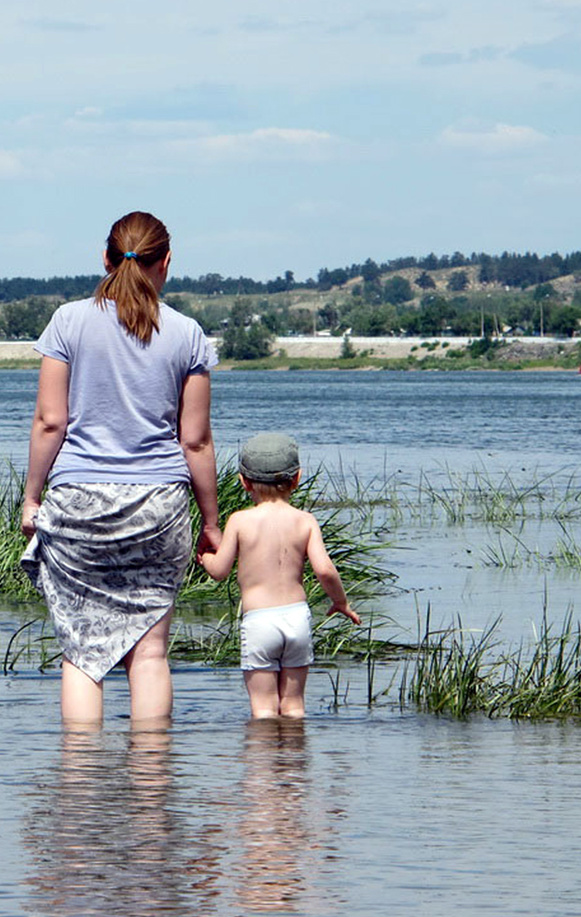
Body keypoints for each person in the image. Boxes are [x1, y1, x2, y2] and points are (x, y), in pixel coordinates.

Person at [20, 210, 221, 726]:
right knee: (150, 655)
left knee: (82, 657)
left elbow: (49, 422)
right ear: (167, 264)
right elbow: (194, 440)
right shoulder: (187, 333)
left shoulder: (68, 321)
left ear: (105, 258)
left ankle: (82, 785)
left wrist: (32, 498)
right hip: (159, 505)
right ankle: (152, 789)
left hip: (79, 502)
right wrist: (212, 523)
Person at [196, 432, 361, 719]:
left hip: (260, 621)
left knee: (263, 710)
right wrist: (341, 602)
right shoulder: (305, 521)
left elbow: (220, 571)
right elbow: (324, 569)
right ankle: (294, 762)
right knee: (294, 706)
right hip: (297, 618)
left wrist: (205, 558)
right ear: (297, 479)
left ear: (243, 482)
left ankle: (264, 763)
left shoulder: (239, 520)